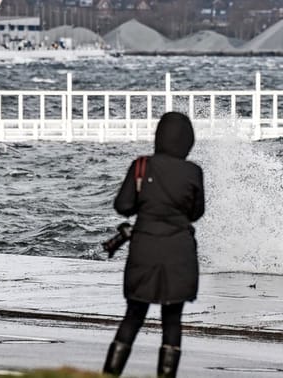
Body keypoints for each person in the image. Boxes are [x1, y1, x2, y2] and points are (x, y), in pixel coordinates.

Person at [103, 112, 205, 378]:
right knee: (172, 320)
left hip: (144, 248)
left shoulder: (141, 166)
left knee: (134, 315)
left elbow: (123, 206)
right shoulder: (193, 172)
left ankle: (110, 374)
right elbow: (196, 213)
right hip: (179, 252)